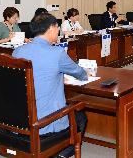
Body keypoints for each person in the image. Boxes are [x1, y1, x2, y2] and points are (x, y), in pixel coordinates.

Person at [12, 13, 88, 156]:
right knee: (81, 116)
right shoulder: (57, 53)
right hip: (45, 126)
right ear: (52, 28)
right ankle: (60, 152)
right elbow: (81, 74)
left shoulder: (18, 51)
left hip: (20, 121)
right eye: (57, 28)